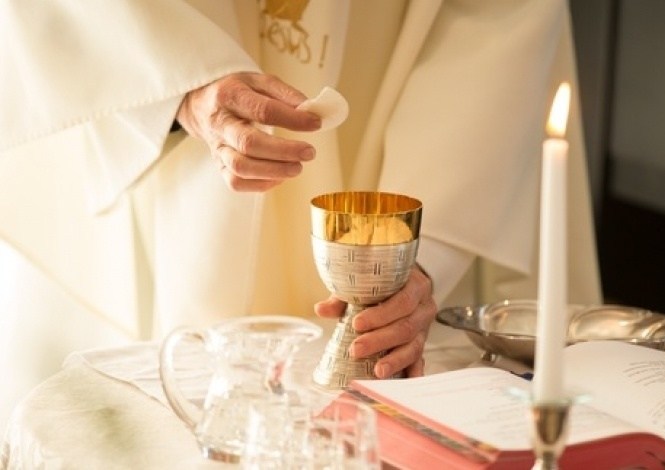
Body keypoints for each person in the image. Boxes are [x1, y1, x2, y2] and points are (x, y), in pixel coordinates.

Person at [0, 0, 601, 433]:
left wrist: (420, 253)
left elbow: (493, 21)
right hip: (167, 126)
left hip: (396, 97)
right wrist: (176, 81)